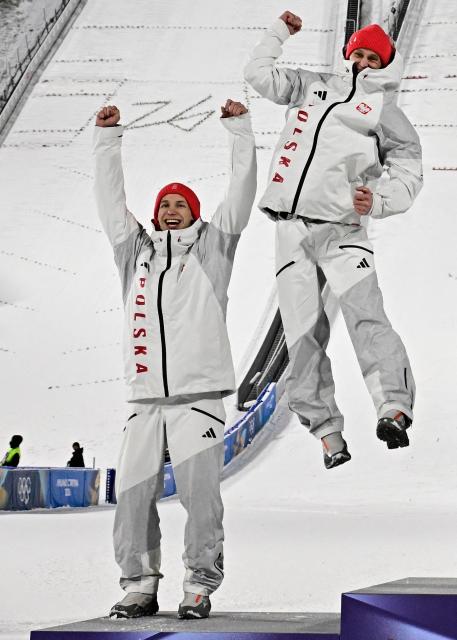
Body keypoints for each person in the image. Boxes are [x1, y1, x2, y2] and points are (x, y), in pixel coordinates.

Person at [93, 99, 256, 618]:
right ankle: (139, 584)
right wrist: (107, 139)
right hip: (144, 402)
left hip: (199, 399)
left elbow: (241, 192)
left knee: (200, 499)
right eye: (164, 203)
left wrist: (238, 129)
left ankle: (199, 584)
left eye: (180, 204)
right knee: (132, 502)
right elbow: (109, 201)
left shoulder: (214, 249)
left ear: (196, 213)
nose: (170, 209)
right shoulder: (133, 254)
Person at [244, 13, 422, 469]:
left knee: (367, 317)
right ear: (348, 54)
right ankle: (326, 432)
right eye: (358, 53)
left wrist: (377, 200)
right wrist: (279, 32)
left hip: (343, 231)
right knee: (302, 334)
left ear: (384, 65)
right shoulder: (310, 85)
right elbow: (258, 75)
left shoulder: (385, 112)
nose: (362, 62)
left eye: (372, 58)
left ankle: (394, 409)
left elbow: (409, 172)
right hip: (290, 229)